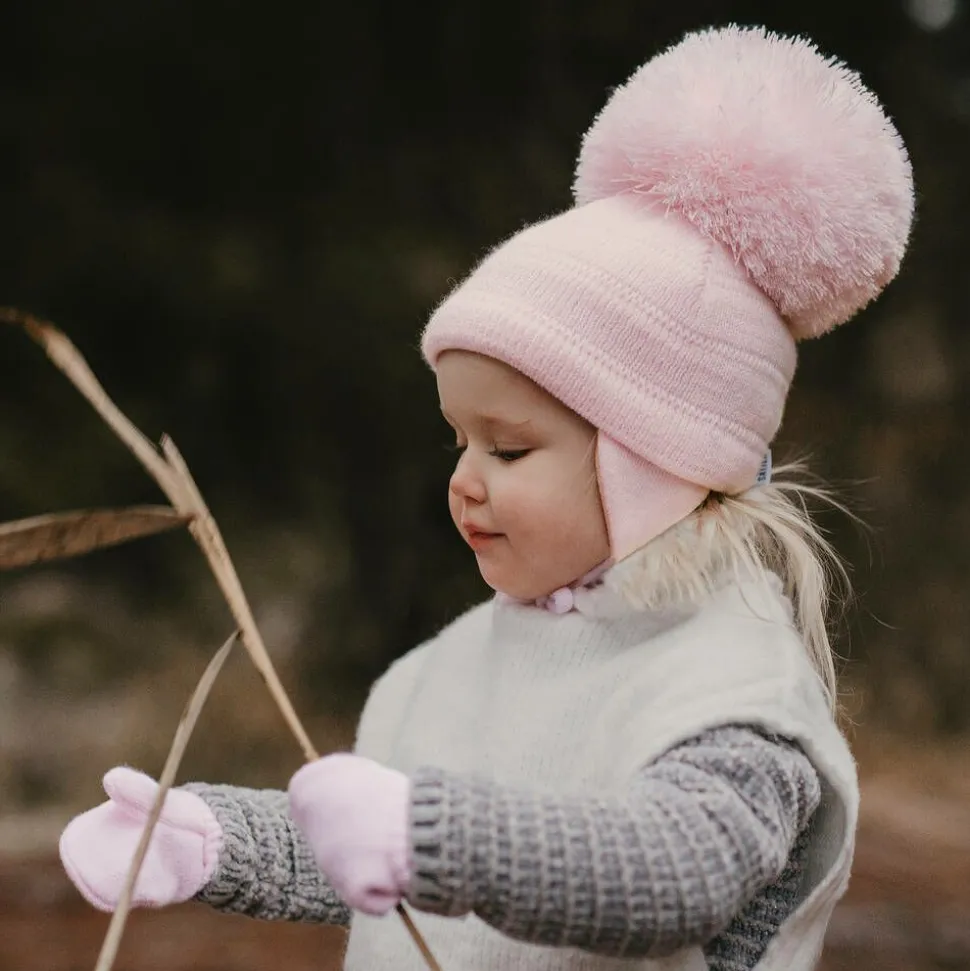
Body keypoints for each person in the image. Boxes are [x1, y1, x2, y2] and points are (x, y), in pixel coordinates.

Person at [58, 24, 914, 971]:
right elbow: (375, 867)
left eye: (508, 447)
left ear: (656, 460)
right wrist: (210, 837)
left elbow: (676, 870)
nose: (464, 478)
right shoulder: (457, 665)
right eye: (458, 439)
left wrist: (425, 835)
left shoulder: (727, 684)